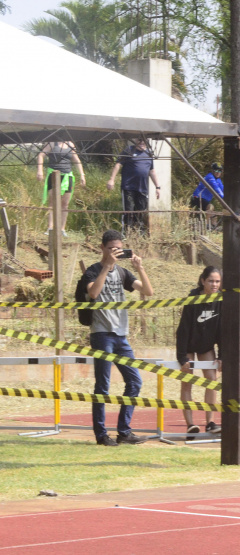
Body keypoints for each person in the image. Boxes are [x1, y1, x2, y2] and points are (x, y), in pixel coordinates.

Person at [85, 230, 154, 446]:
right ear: (102, 248)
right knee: (102, 386)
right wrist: (106, 267)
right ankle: (101, 435)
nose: (115, 252)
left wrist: (140, 268)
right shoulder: (93, 270)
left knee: (134, 381)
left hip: (121, 336)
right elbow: (93, 293)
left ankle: (124, 432)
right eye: (111, 249)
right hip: (101, 334)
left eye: (118, 249)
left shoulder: (123, 273)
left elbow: (148, 292)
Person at [175, 266, 222, 437]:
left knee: (211, 380)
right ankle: (190, 425)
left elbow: (222, 330)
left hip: (206, 346)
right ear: (203, 281)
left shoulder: (221, 300)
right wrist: (182, 357)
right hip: (188, 345)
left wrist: (222, 355)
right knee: (187, 381)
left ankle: (210, 422)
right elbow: (183, 329)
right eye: (211, 281)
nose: (214, 284)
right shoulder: (193, 298)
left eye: (217, 281)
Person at [106, 138, 160, 234]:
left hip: (142, 188)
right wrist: (111, 179)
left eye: (144, 141)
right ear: (135, 141)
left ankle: (139, 233)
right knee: (129, 211)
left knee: (141, 212)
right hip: (128, 187)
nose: (141, 143)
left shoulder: (149, 154)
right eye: (139, 140)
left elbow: (152, 171)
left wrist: (157, 187)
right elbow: (118, 164)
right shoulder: (129, 150)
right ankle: (127, 233)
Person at [37, 141, 85, 235]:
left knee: (65, 204)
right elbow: (41, 155)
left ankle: (62, 229)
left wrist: (82, 175)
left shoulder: (70, 144)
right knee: (52, 202)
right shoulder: (52, 143)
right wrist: (40, 171)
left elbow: (76, 160)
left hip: (67, 176)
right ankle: (50, 228)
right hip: (54, 174)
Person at [190, 163, 225, 230]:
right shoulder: (210, 177)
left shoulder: (218, 180)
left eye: (220, 171)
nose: (218, 172)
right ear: (213, 170)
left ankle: (214, 228)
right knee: (210, 206)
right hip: (197, 197)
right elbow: (217, 189)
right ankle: (206, 225)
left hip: (205, 199)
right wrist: (225, 199)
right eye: (216, 170)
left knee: (214, 215)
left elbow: (223, 190)